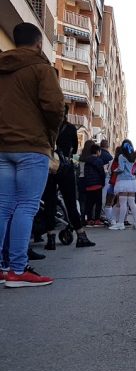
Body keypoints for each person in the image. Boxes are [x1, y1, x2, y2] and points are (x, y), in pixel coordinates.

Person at [0, 22, 64, 287]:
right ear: (38, 43)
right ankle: (17, 269)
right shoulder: (41, 69)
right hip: (32, 146)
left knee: (3, 207)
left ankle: (3, 267)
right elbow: (54, 106)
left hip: (3, 147)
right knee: (26, 206)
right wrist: (51, 134)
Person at [42, 105, 95, 249]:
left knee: (49, 203)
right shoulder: (71, 128)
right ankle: (81, 235)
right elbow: (74, 148)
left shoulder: (45, 127)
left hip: (48, 167)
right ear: (66, 114)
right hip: (65, 168)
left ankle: (51, 239)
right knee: (71, 203)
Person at [108, 139, 136, 231]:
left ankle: (120, 223)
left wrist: (115, 171)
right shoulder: (133, 156)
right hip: (132, 181)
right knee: (132, 202)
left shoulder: (121, 156)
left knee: (122, 203)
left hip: (123, 181)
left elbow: (121, 169)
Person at [82, 143, 107, 229]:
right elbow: (102, 173)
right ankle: (97, 220)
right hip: (97, 185)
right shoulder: (99, 161)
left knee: (89, 203)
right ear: (97, 151)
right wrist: (103, 183)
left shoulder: (86, 161)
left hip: (89, 185)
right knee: (98, 203)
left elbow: (85, 173)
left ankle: (89, 220)